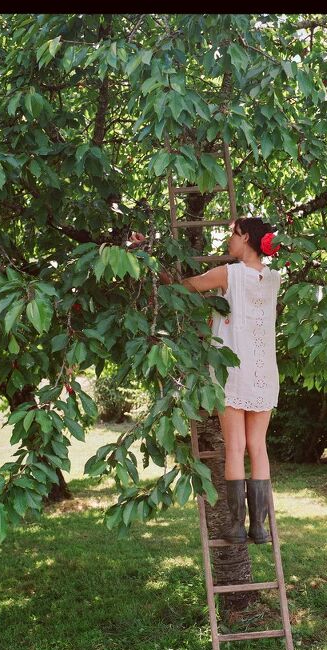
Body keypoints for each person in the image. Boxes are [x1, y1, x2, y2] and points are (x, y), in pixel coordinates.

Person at [129, 218, 282, 545]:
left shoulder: (229, 274)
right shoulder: (273, 279)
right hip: (265, 372)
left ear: (245, 238)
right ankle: (260, 528)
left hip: (234, 372)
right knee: (258, 446)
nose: (229, 240)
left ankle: (236, 526)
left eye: (233, 234)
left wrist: (147, 254)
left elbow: (184, 285)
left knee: (236, 447)